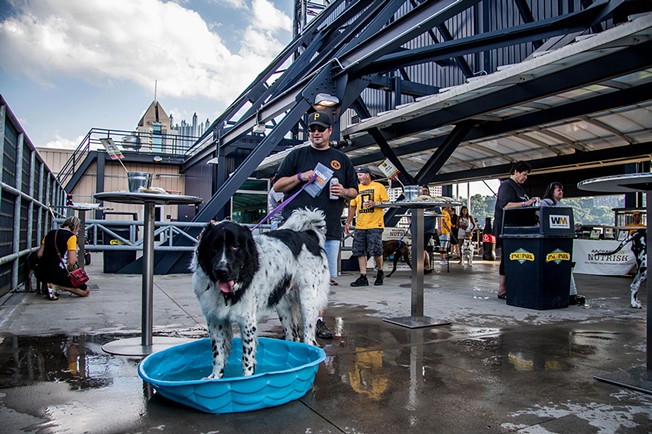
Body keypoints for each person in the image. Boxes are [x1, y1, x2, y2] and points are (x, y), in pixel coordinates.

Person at [273, 110, 358, 339]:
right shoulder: (296, 156)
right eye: (312, 129)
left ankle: (317, 321)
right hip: (294, 233)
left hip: (328, 231)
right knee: (288, 278)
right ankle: (290, 324)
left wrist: (345, 192)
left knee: (321, 280)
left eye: (321, 128)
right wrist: (300, 177)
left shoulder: (342, 160)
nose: (316, 133)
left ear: (330, 130)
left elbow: (354, 191)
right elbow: (277, 186)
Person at [493, 161, 538, 299]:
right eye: (524, 174)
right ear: (516, 172)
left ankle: (514, 286)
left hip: (517, 228)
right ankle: (502, 289)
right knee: (507, 258)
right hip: (506, 228)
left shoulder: (519, 188)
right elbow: (506, 205)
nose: (525, 177)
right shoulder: (507, 186)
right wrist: (526, 203)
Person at [345, 166, 389, 286]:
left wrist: (375, 204)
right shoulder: (357, 189)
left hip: (375, 224)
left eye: (360, 175)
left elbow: (386, 202)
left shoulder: (379, 186)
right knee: (360, 251)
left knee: (376, 250)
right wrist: (348, 222)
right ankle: (363, 276)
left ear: (367, 175)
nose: (358, 177)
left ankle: (380, 271)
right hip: (360, 225)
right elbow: (352, 207)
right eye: (357, 175)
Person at [540, 182, 583, 305]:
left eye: (562, 191)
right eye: (558, 190)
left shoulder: (560, 205)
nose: (561, 193)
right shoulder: (545, 204)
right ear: (552, 191)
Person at [36, 216, 90, 300]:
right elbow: (72, 261)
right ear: (75, 226)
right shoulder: (71, 237)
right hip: (57, 272)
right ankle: (57, 286)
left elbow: (39, 254)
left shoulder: (49, 233)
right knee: (86, 291)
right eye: (78, 228)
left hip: (41, 271)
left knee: (52, 275)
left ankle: (50, 284)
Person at [421, 185, 438, 274]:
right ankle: (427, 266)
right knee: (422, 249)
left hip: (428, 229)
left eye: (425, 190)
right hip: (419, 228)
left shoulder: (432, 202)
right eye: (422, 190)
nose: (424, 192)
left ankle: (423, 266)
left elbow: (438, 214)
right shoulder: (418, 201)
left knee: (422, 248)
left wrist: (439, 228)